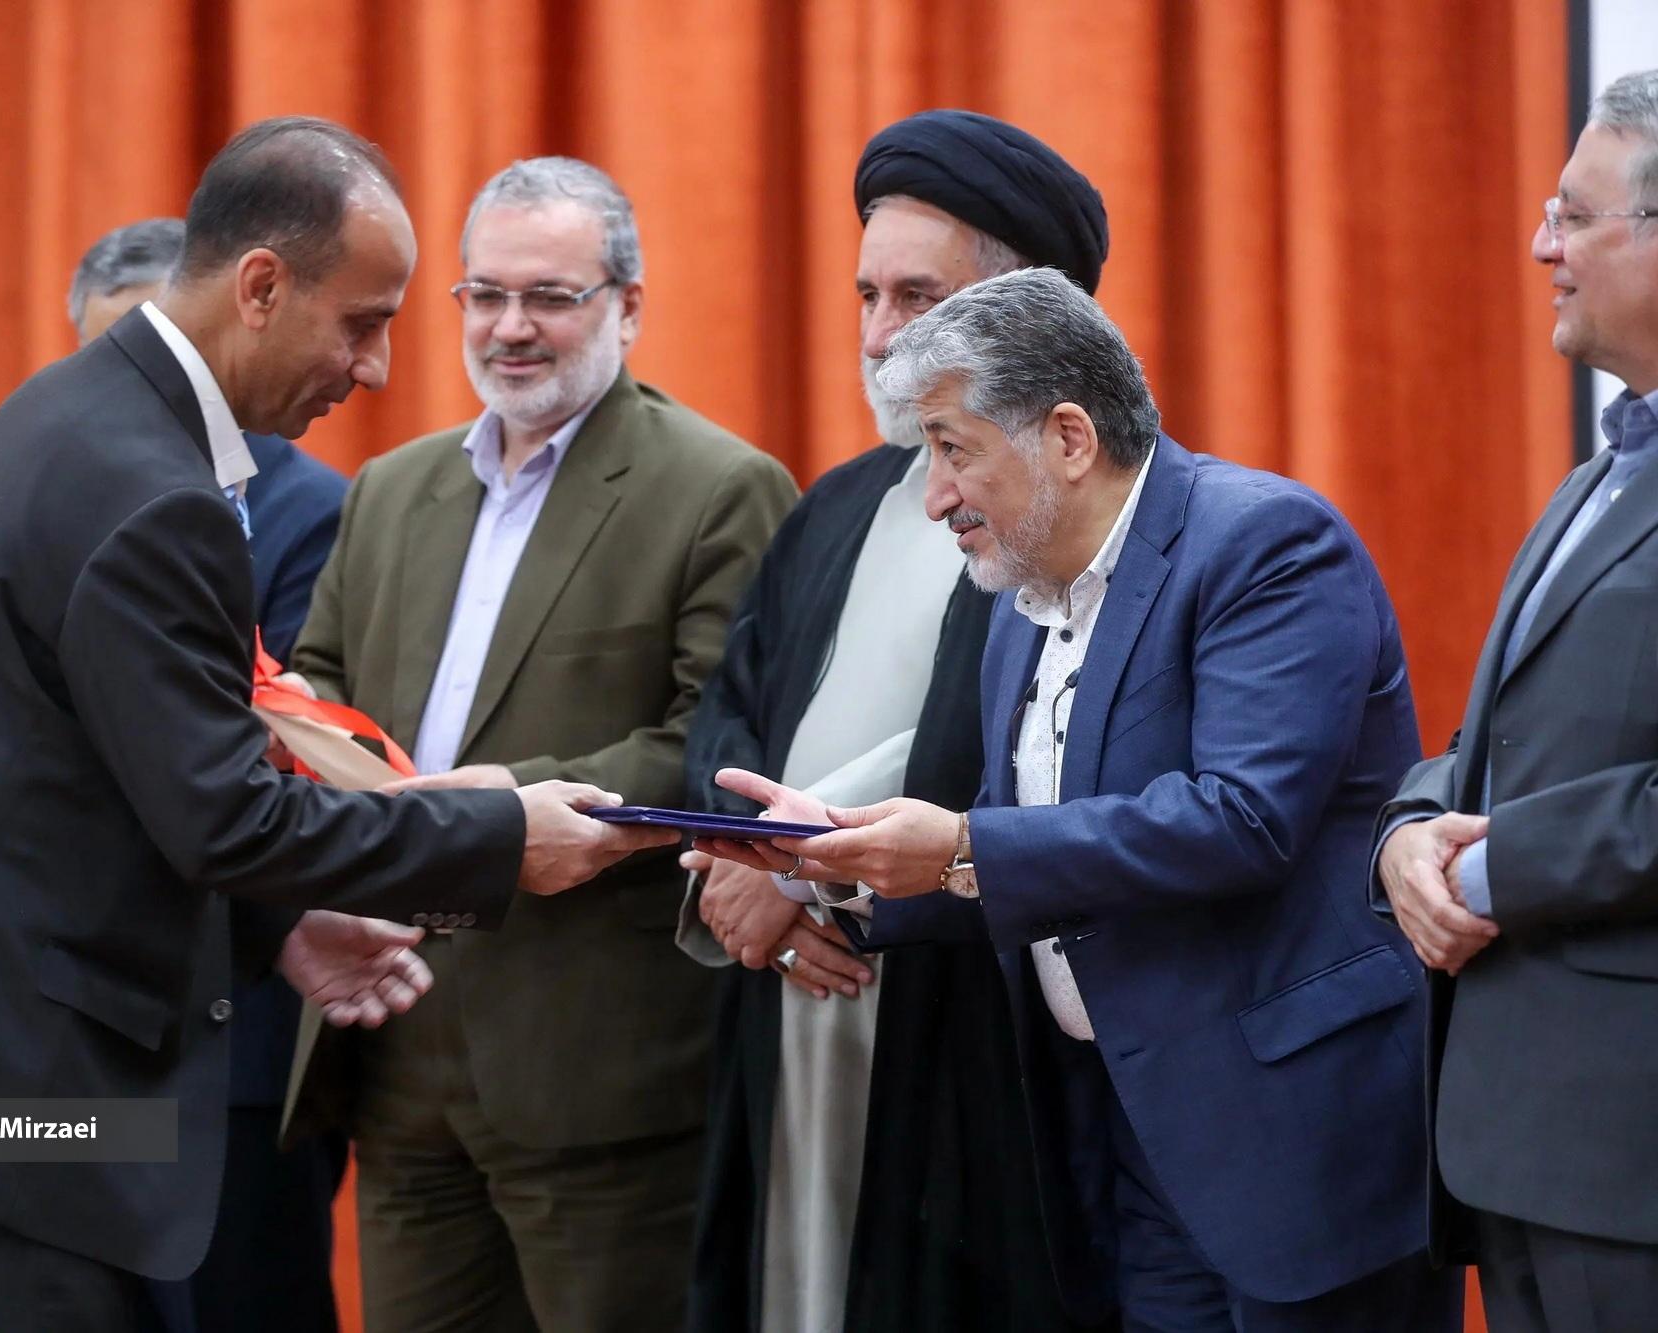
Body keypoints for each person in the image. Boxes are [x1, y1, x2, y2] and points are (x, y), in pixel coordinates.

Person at [0, 117, 672, 1331]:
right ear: (261, 287)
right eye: (361, 322)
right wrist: (500, 836)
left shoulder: (78, 410)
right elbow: (223, 815)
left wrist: (278, 925)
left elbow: (105, 778)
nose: (378, 367)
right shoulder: (150, 490)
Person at [701, 268, 1461, 1331]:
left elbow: (1240, 819)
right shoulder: (1019, 605)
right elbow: (1027, 843)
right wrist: (836, 863)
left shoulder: (1266, 544)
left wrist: (960, 847)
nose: (935, 496)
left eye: (953, 449)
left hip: (1294, 1147)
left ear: (1067, 437)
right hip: (1120, 1147)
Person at [279, 155, 796, 1332]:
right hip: (393, 1048)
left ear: (627, 305)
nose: (510, 327)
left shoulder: (720, 488)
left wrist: (498, 805)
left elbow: (718, 744)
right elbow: (319, 689)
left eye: (550, 296)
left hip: (599, 1081)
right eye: (485, 294)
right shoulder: (387, 490)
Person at [678, 110, 1105, 1333]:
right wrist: (740, 872)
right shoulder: (836, 504)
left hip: (959, 1023)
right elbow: (728, 716)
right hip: (792, 1010)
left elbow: (1019, 760)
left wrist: (804, 872)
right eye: (866, 294)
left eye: (915, 297)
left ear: (1025, 313)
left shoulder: (1079, 514)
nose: (876, 335)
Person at [1371, 68, 1658, 1333]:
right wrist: (1406, 834)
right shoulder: (1593, 481)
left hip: (1628, 1160)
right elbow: (1498, 741)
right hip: (1517, 1149)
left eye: (1572, 216)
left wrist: (1484, 870)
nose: (1540, 247)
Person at [71, 217, 350, 1333]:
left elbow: (281, 757)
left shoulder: (309, 511)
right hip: (87, 1029)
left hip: (243, 1037)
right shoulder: (58, 495)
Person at [72, 217, 350, 662]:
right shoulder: (69, 489)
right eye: (109, 358)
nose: (132, 380)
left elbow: (292, 690)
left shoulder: (314, 514)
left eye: (152, 353)